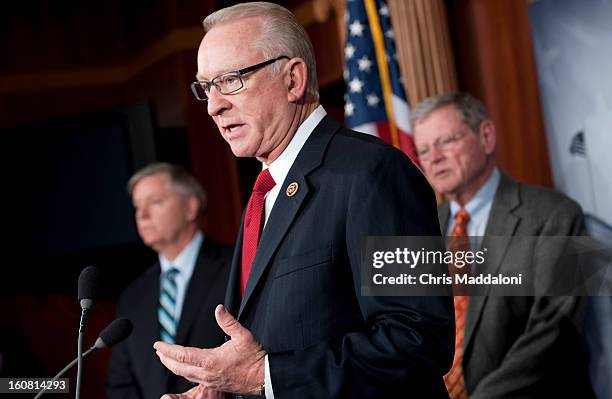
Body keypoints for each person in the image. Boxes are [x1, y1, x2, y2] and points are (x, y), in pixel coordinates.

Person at [153, 2, 454, 398]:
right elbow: (273, 341)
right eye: (206, 87)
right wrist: (220, 389)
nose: (213, 106)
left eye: (230, 80)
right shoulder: (266, 192)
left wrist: (265, 376)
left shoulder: (373, 172)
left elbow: (418, 338)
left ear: (294, 79)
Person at [412, 92, 594, 398]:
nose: (434, 158)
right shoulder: (422, 229)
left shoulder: (555, 216)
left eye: (445, 142)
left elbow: (556, 329)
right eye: (424, 150)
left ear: (486, 136)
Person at [106, 163, 233, 399]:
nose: (141, 215)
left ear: (190, 207)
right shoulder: (132, 296)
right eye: (137, 207)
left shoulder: (236, 268)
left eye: (154, 202)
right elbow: (121, 386)